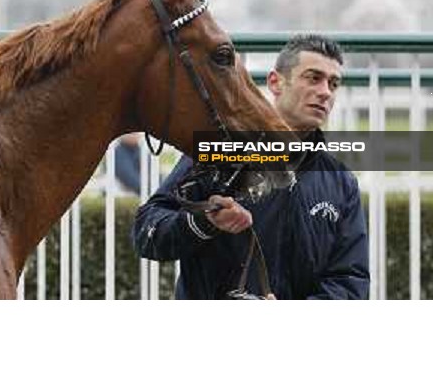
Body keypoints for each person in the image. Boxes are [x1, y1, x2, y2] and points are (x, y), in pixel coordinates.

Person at [133, 34, 369, 299]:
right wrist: (203, 221)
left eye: (333, 84)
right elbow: (148, 233)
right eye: (313, 78)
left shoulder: (341, 181)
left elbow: (350, 283)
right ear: (275, 82)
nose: (325, 92)